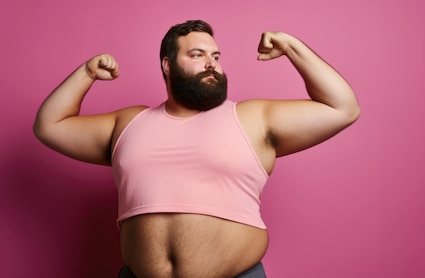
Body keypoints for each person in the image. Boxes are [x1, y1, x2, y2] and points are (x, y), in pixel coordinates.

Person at [33, 19, 359, 278]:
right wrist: (87, 73)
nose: (211, 64)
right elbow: (49, 126)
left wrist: (291, 46)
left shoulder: (252, 117)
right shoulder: (128, 123)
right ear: (167, 65)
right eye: (197, 55)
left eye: (216, 56)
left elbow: (342, 107)